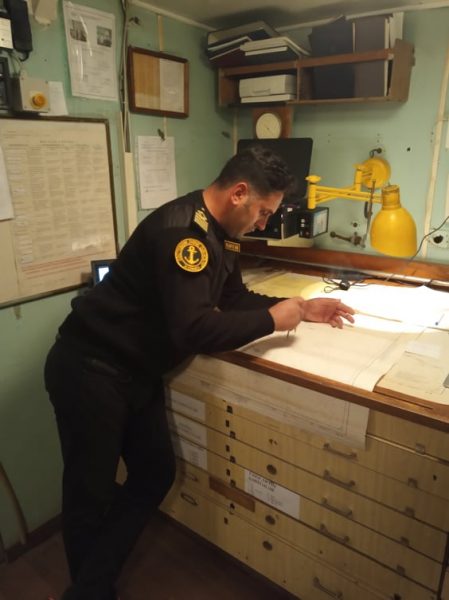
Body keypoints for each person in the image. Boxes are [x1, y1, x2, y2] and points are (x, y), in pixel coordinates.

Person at [44, 146, 355, 600]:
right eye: (264, 212)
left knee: (154, 473)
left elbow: (232, 299)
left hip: (136, 371)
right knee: (88, 491)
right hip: (90, 369)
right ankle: (90, 591)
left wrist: (302, 308)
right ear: (239, 193)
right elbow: (193, 330)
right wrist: (272, 321)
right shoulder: (183, 234)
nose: (264, 224)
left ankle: (94, 578)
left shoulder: (222, 234)